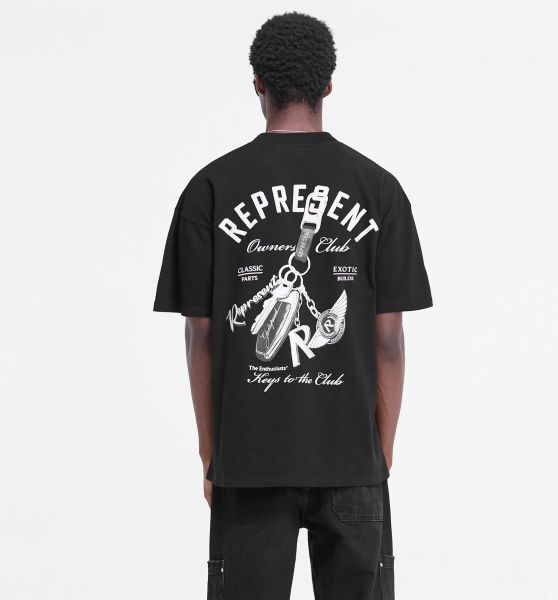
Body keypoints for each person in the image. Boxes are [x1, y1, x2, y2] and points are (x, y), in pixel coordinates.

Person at [154, 11, 432, 600]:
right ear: (328, 84)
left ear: (257, 82)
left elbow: (200, 336)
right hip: (351, 458)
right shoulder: (379, 190)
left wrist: (211, 453)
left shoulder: (209, 189)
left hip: (249, 461)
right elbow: (388, 340)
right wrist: (379, 453)